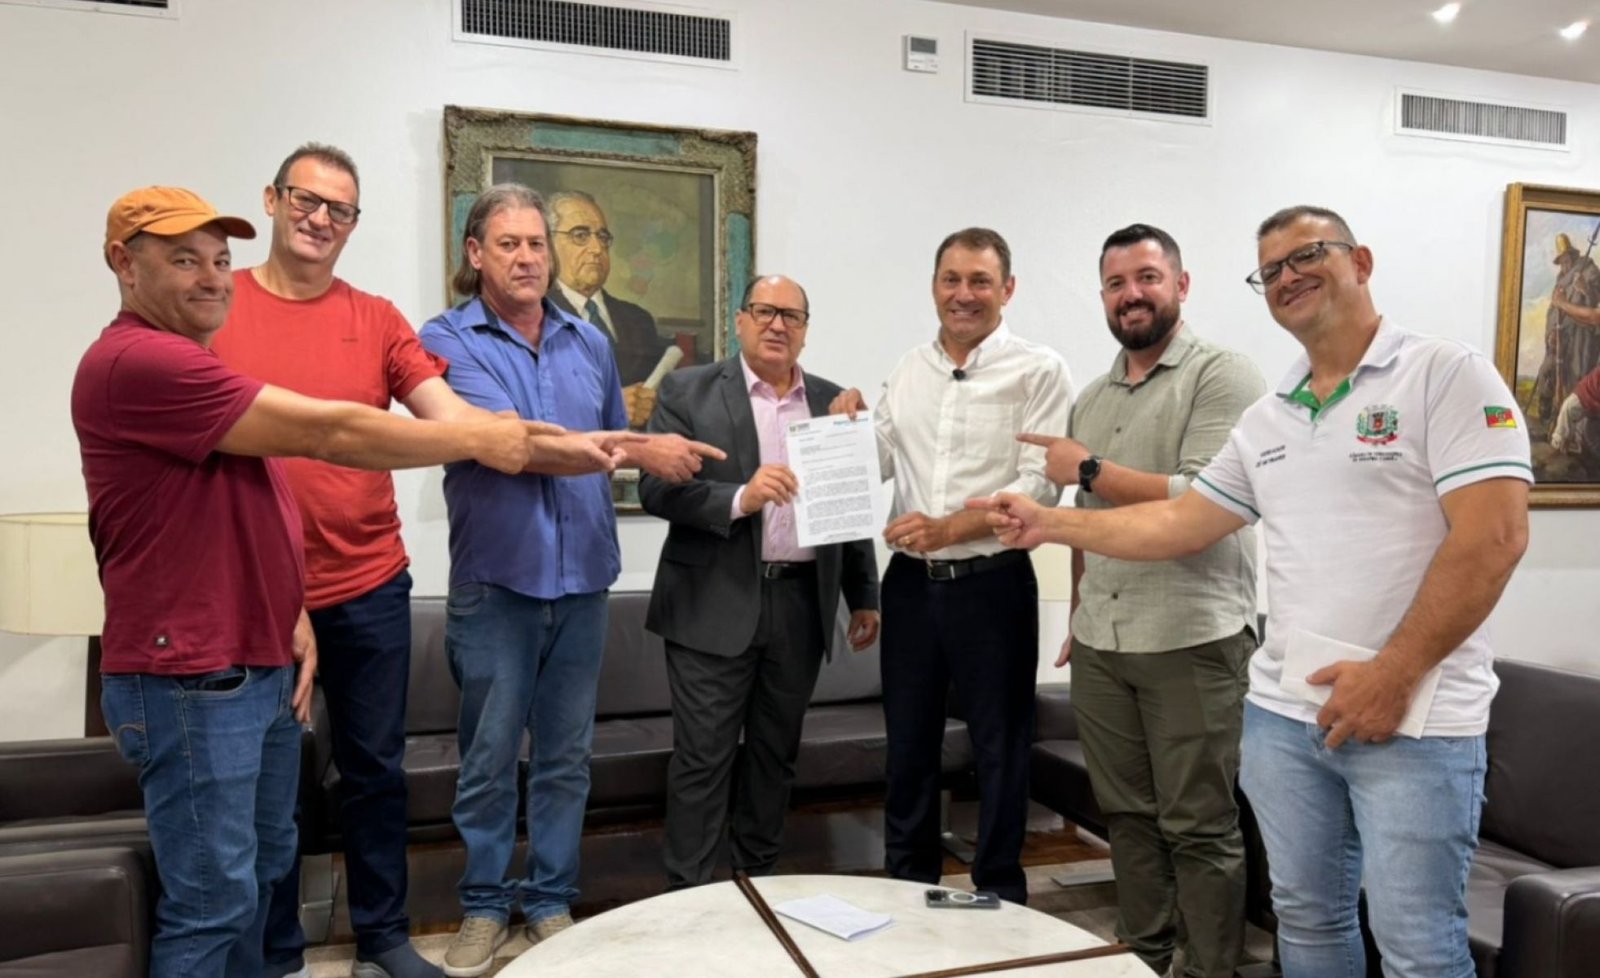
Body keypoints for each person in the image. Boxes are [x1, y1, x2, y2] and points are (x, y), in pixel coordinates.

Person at [973, 205, 1531, 978]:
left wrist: (1393, 674)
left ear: (1360, 262)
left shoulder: (1446, 373)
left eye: (1308, 256)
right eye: (1270, 271)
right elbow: (1182, 522)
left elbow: (1494, 539)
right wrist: (1047, 523)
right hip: (1283, 717)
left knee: (1417, 946)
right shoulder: (1272, 415)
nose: (1287, 277)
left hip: (1413, 719)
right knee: (1307, 920)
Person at [74, 187, 603, 978]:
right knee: (212, 902)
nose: (211, 278)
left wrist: (285, 610)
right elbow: (331, 432)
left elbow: (248, 503)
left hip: (254, 650)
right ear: (124, 264)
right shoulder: (145, 362)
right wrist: (488, 440)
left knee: (259, 872)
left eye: (218, 260)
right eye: (184, 261)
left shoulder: (204, 354)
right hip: (190, 670)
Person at [213, 144, 621, 978]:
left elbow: (465, 424)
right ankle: (278, 955)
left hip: (375, 579)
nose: (321, 218)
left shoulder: (383, 321)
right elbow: (471, 435)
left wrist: (550, 443)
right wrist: (537, 443)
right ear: (273, 200)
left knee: (378, 772)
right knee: (268, 784)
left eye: (340, 208)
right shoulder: (225, 309)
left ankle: (390, 937)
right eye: (307, 200)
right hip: (265, 589)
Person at [419, 183, 724, 978]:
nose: (528, 258)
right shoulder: (446, 340)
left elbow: (604, 445)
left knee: (565, 757)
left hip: (584, 579)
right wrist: (639, 445)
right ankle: (485, 907)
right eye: (509, 244)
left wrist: (630, 446)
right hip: (498, 585)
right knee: (489, 760)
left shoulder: (587, 342)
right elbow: (512, 445)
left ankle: (551, 900)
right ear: (475, 253)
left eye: (537, 244)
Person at [1018, 224, 1265, 977]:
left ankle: (1209, 968)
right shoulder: (1092, 398)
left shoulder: (1225, 376)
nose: (1132, 294)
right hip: (1105, 638)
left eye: (1148, 278)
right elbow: (1086, 522)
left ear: (1180, 286)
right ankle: (1143, 958)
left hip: (1192, 634)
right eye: (1117, 283)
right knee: (1125, 815)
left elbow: (1200, 496)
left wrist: (1089, 468)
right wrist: (1080, 609)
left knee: (1199, 824)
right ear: (1103, 296)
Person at [831, 227, 1074, 905]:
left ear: (1007, 289)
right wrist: (845, 426)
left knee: (1001, 745)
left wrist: (949, 529)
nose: (963, 294)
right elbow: (877, 460)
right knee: (908, 744)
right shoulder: (910, 369)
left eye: (980, 281)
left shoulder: (1038, 370)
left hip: (992, 583)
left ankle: (999, 892)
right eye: (951, 279)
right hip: (911, 585)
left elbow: (1039, 484)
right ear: (934, 285)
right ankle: (909, 888)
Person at [639, 274, 881, 889]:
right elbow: (656, 489)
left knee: (776, 756)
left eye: (792, 316)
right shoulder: (688, 390)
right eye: (766, 311)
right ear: (741, 320)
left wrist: (863, 596)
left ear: (805, 330)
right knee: (703, 759)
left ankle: (759, 884)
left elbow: (847, 506)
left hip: (801, 605)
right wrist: (740, 497)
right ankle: (690, 897)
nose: (778, 325)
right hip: (709, 605)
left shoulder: (831, 400)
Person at [546, 189, 675, 429]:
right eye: (580, 235)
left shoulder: (638, 320)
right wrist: (610, 408)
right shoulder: (532, 317)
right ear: (547, 244)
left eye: (603, 237)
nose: (597, 248)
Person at [1533, 232, 1600, 418]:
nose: (1564, 264)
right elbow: (1554, 309)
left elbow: (1596, 303)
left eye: (1566, 259)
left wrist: (1585, 289)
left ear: (1572, 254)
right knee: (1547, 371)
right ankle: (1546, 415)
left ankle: (1572, 422)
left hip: (1581, 335)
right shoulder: (1560, 279)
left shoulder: (1589, 270)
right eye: (1561, 261)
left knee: (1576, 374)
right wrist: (1550, 334)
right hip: (1560, 335)